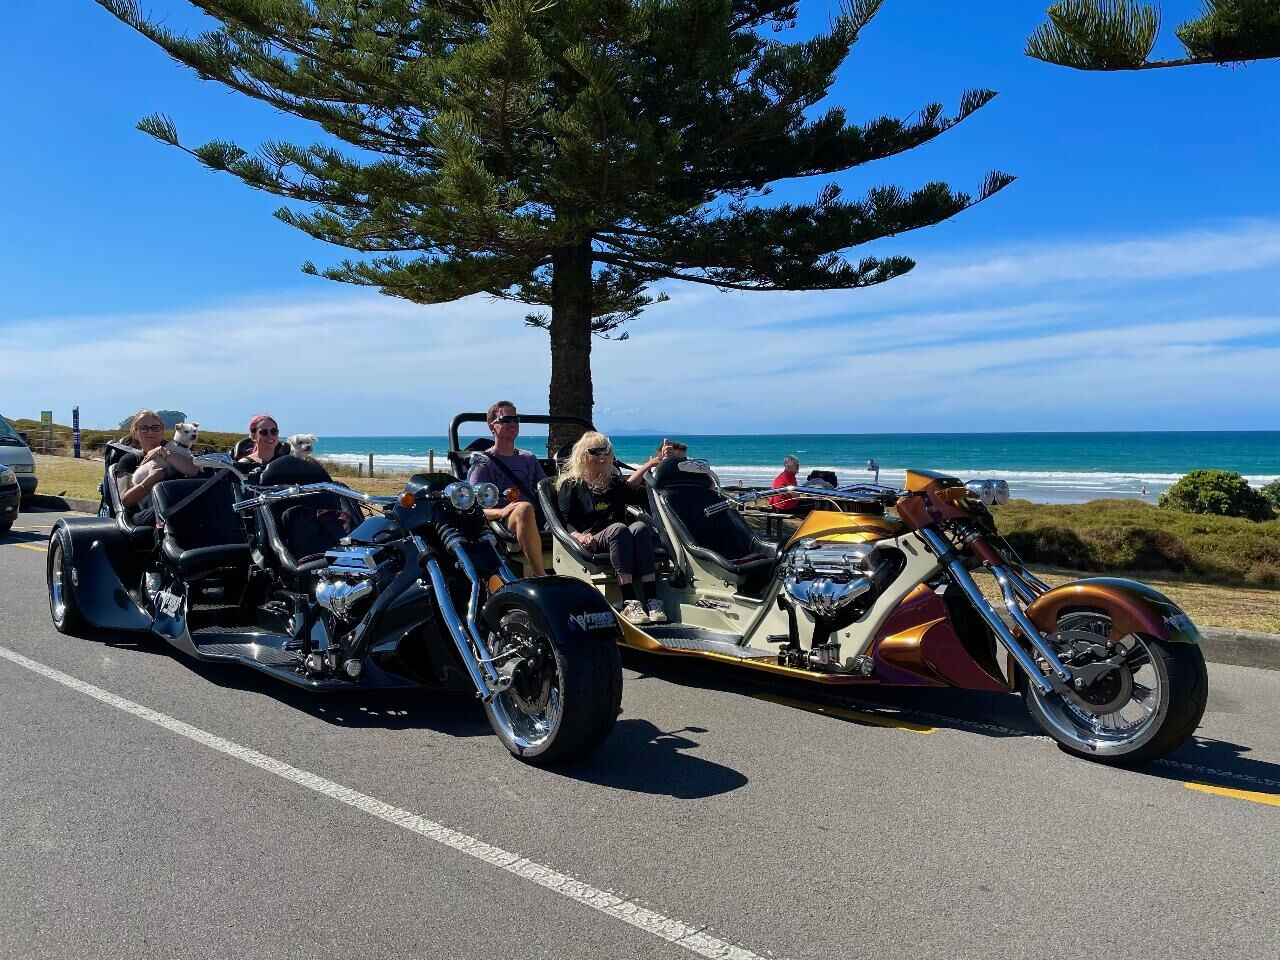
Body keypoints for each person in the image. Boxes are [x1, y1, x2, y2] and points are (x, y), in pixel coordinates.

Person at [556, 432, 666, 624]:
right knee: (618, 528)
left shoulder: (614, 483)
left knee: (639, 527)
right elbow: (564, 521)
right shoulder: (571, 485)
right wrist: (579, 536)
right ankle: (629, 601)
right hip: (591, 539)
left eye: (606, 451)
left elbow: (648, 493)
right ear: (583, 454)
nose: (602, 456)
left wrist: (662, 467)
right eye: (595, 451)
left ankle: (651, 598)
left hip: (619, 537)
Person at [467, 401, 548, 577]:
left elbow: (546, 492)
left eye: (516, 420)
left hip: (534, 516)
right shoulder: (483, 462)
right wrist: (501, 512)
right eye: (506, 420)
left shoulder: (529, 458)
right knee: (524, 508)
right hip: (504, 521)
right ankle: (540, 575)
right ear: (492, 427)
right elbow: (472, 507)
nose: (513, 424)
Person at [113, 409, 199, 519]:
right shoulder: (129, 460)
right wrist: (151, 480)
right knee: (171, 506)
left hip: (177, 508)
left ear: (162, 431)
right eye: (144, 428)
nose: (150, 432)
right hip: (143, 514)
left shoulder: (177, 450)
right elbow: (127, 500)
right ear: (135, 434)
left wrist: (163, 452)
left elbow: (193, 471)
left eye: (155, 428)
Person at [235, 413, 287, 480]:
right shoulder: (244, 464)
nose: (270, 435)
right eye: (263, 432)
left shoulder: (285, 462)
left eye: (274, 431)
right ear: (254, 437)